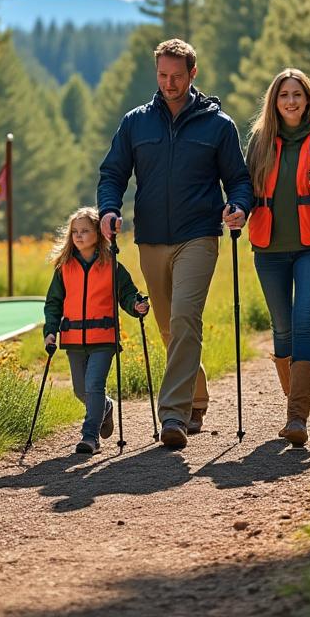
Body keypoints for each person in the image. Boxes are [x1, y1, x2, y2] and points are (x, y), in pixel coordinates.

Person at [96, 38, 251, 449]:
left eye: (177, 76)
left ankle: (173, 416)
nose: (169, 83)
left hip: (199, 234)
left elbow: (238, 179)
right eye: (162, 75)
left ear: (192, 74)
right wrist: (109, 210)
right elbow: (113, 174)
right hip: (151, 237)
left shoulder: (218, 126)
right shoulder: (136, 123)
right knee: (168, 326)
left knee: (184, 317)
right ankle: (195, 395)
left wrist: (238, 205)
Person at [244, 68, 310, 447]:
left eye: (297, 95)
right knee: (282, 328)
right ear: (274, 101)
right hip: (269, 249)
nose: (291, 101)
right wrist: (236, 211)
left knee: (304, 322)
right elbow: (245, 191)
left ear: (308, 99)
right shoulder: (259, 141)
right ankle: (296, 406)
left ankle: (297, 418)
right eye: (284, 95)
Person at [43, 207, 149, 455]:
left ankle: (89, 437)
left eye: (85, 231)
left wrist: (136, 305)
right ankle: (106, 407)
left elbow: (127, 294)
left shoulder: (112, 266)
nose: (79, 236)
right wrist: (50, 331)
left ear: (98, 234)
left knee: (93, 386)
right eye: (75, 232)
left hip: (103, 338)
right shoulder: (64, 268)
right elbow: (53, 303)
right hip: (73, 339)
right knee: (81, 391)